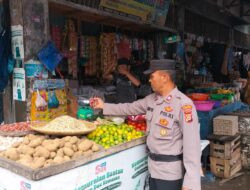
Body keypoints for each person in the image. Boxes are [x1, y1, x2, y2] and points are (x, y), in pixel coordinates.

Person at [91, 61, 201, 190]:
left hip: (170, 174)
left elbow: (192, 146)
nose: (149, 80)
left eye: (152, 76)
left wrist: (190, 183)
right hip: (153, 170)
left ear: (164, 77)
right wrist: (103, 106)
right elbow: (129, 108)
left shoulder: (183, 105)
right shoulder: (151, 100)